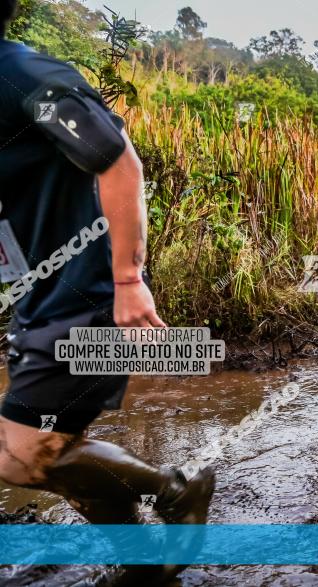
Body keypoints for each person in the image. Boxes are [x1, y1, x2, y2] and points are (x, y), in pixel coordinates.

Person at [0, 3, 215, 584]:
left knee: (21, 456)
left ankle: (178, 489)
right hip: (41, 299)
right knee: (61, 447)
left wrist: (127, 279)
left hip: (86, 298)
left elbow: (119, 160)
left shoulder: (22, 76)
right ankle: (139, 561)